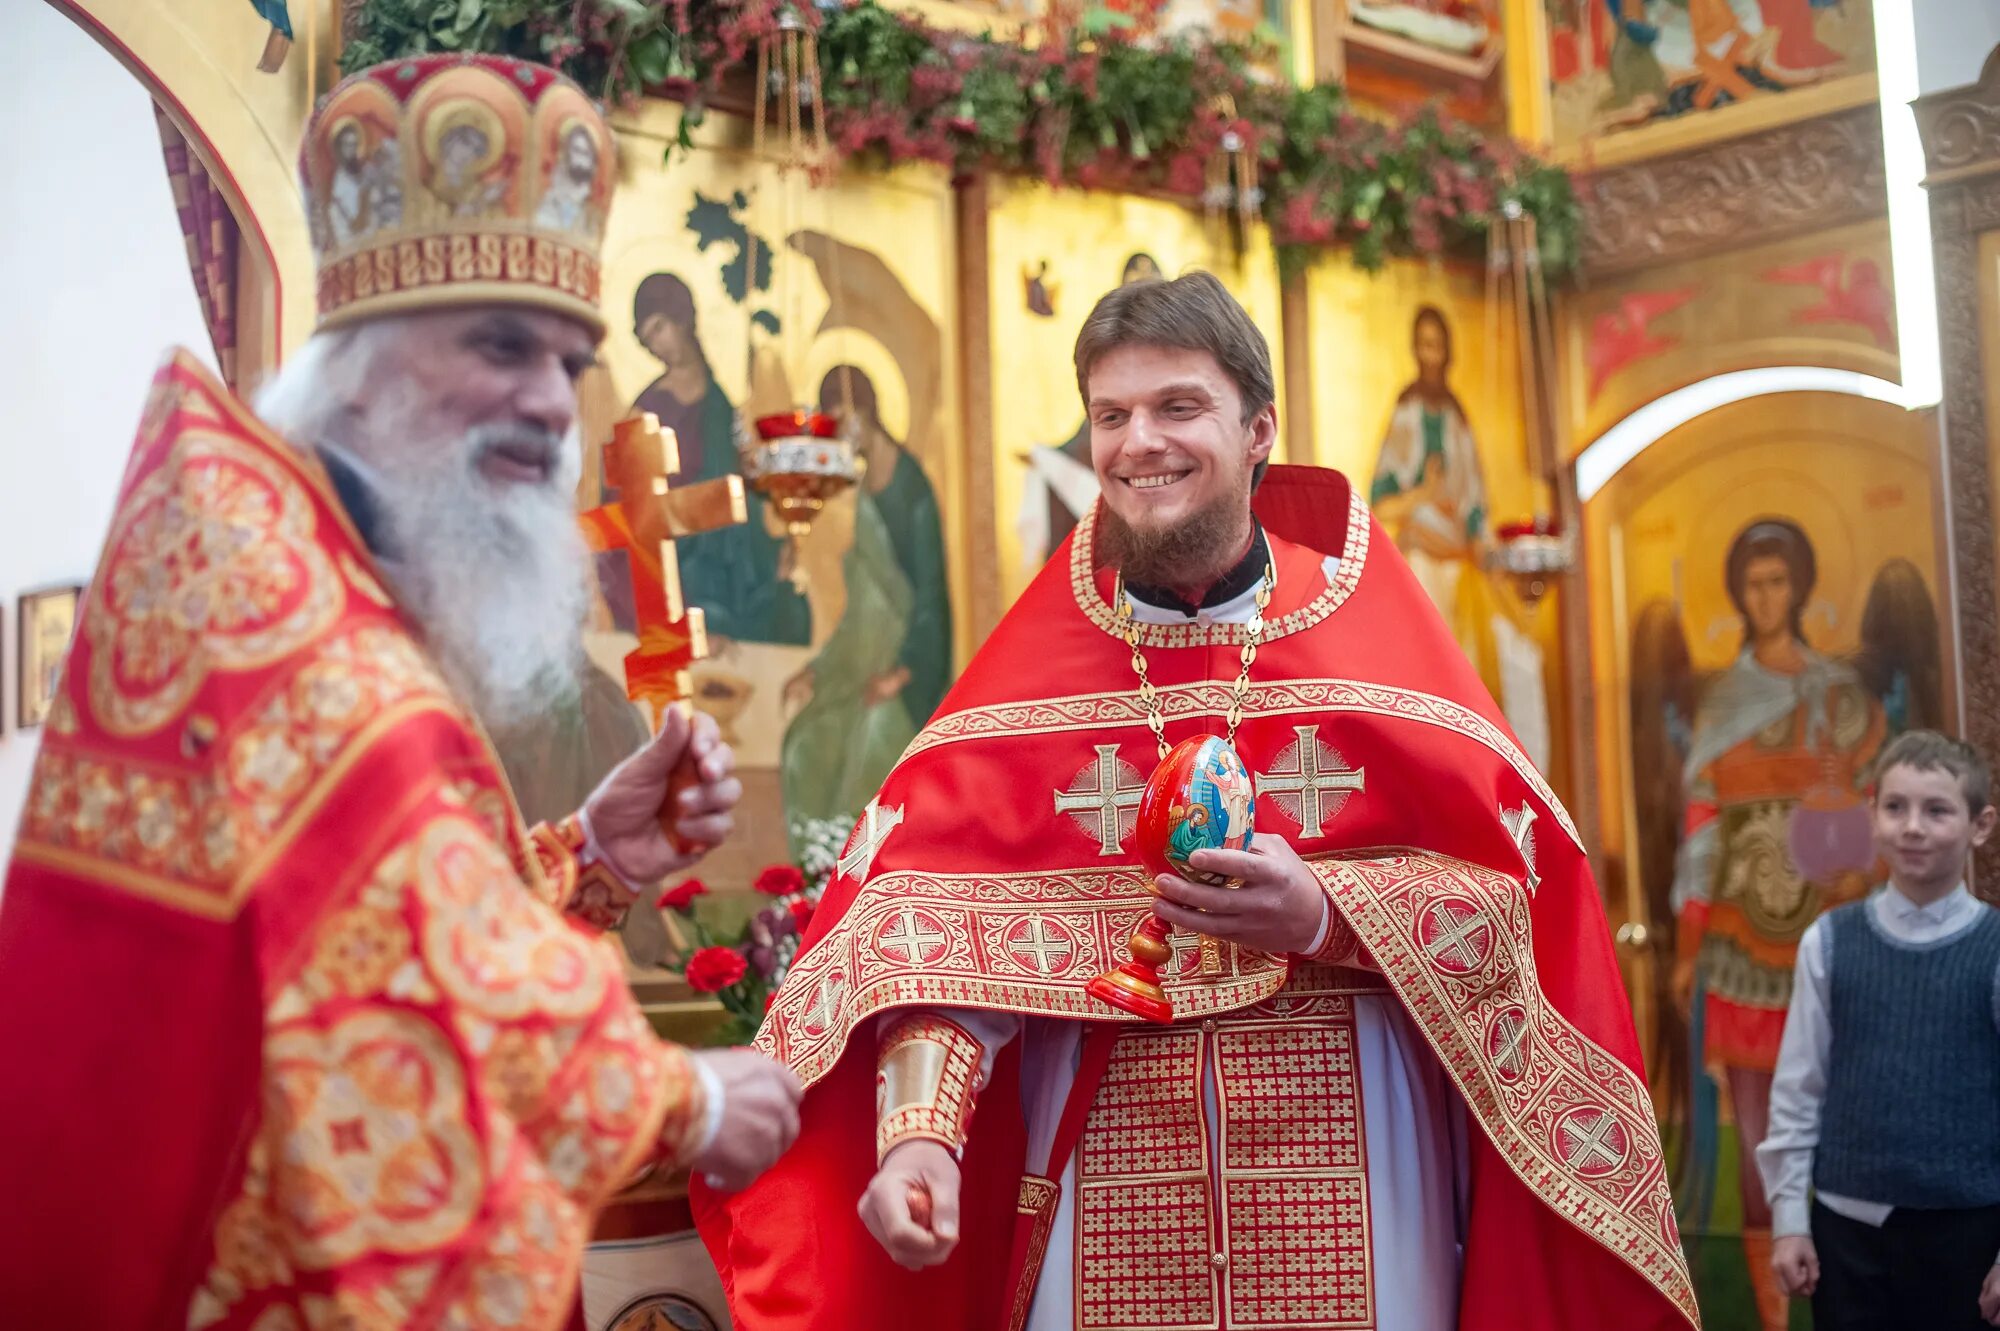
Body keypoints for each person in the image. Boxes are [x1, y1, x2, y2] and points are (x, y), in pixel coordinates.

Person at [697, 272, 1697, 1330]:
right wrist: (919, 1136)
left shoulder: (1373, 635)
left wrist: (1327, 914)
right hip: (1102, 1172)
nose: (1140, 443)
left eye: (1177, 406)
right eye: (1111, 415)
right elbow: (931, 934)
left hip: (1354, 1170)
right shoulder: (1033, 668)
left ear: (1258, 426)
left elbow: (1510, 913)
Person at [0, 54, 802, 1331]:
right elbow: (401, 976)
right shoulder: (281, 600)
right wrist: (687, 1098)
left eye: (568, 357)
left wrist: (590, 852)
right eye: (500, 344)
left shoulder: (301, 553)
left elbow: (363, 903)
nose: (551, 401)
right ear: (360, 357)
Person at [1670, 517, 1884, 1331]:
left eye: (1778, 582)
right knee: (1761, 1139)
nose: (1766, 598)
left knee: (1841, 1125)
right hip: (1736, 950)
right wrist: (1688, 946)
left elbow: (1872, 828)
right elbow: (1702, 833)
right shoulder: (1723, 700)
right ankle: (1772, 1319)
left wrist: (1848, 822)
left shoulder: (1840, 696)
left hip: (1826, 943)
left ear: (1799, 588)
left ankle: (1846, 1298)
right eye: (1753, 585)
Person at [1759, 730, 2000, 1330]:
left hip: (1969, 1230)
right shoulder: (1831, 942)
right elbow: (1799, 1089)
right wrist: (1790, 1218)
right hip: (1847, 1236)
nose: (1913, 827)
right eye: (1895, 808)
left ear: (1980, 825)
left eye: (1937, 810)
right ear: (1873, 816)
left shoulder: (1994, 950)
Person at [1367, 304, 1549, 768]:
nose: (1431, 355)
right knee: (1421, 664)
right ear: (1415, 350)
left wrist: (1483, 548)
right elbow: (1383, 498)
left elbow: (1474, 506)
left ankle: (1472, 757)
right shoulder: (1407, 410)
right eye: (1423, 345)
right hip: (1422, 562)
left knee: (1475, 666)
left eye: (1438, 345)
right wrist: (1423, 494)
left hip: (1460, 565)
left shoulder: (1456, 415)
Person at [626, 271, 809, 647]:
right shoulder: (648, 409)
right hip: (687, 562)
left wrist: (780, 530)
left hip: (733, 555)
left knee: (791, 611)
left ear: (682, 317)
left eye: (659, 328)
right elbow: (636, 508)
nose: (657, 345)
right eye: (647, 339)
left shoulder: (721, 402)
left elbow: (741, 480)